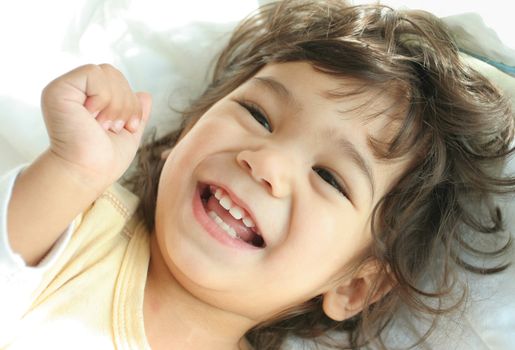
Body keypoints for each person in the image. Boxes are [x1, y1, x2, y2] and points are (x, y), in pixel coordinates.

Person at [1, 0, 514, 349]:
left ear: (354, 288)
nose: (267, 162)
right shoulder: (79, 226)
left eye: (330, 178)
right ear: (189, 128)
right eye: (259, 116)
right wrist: (73, 168)